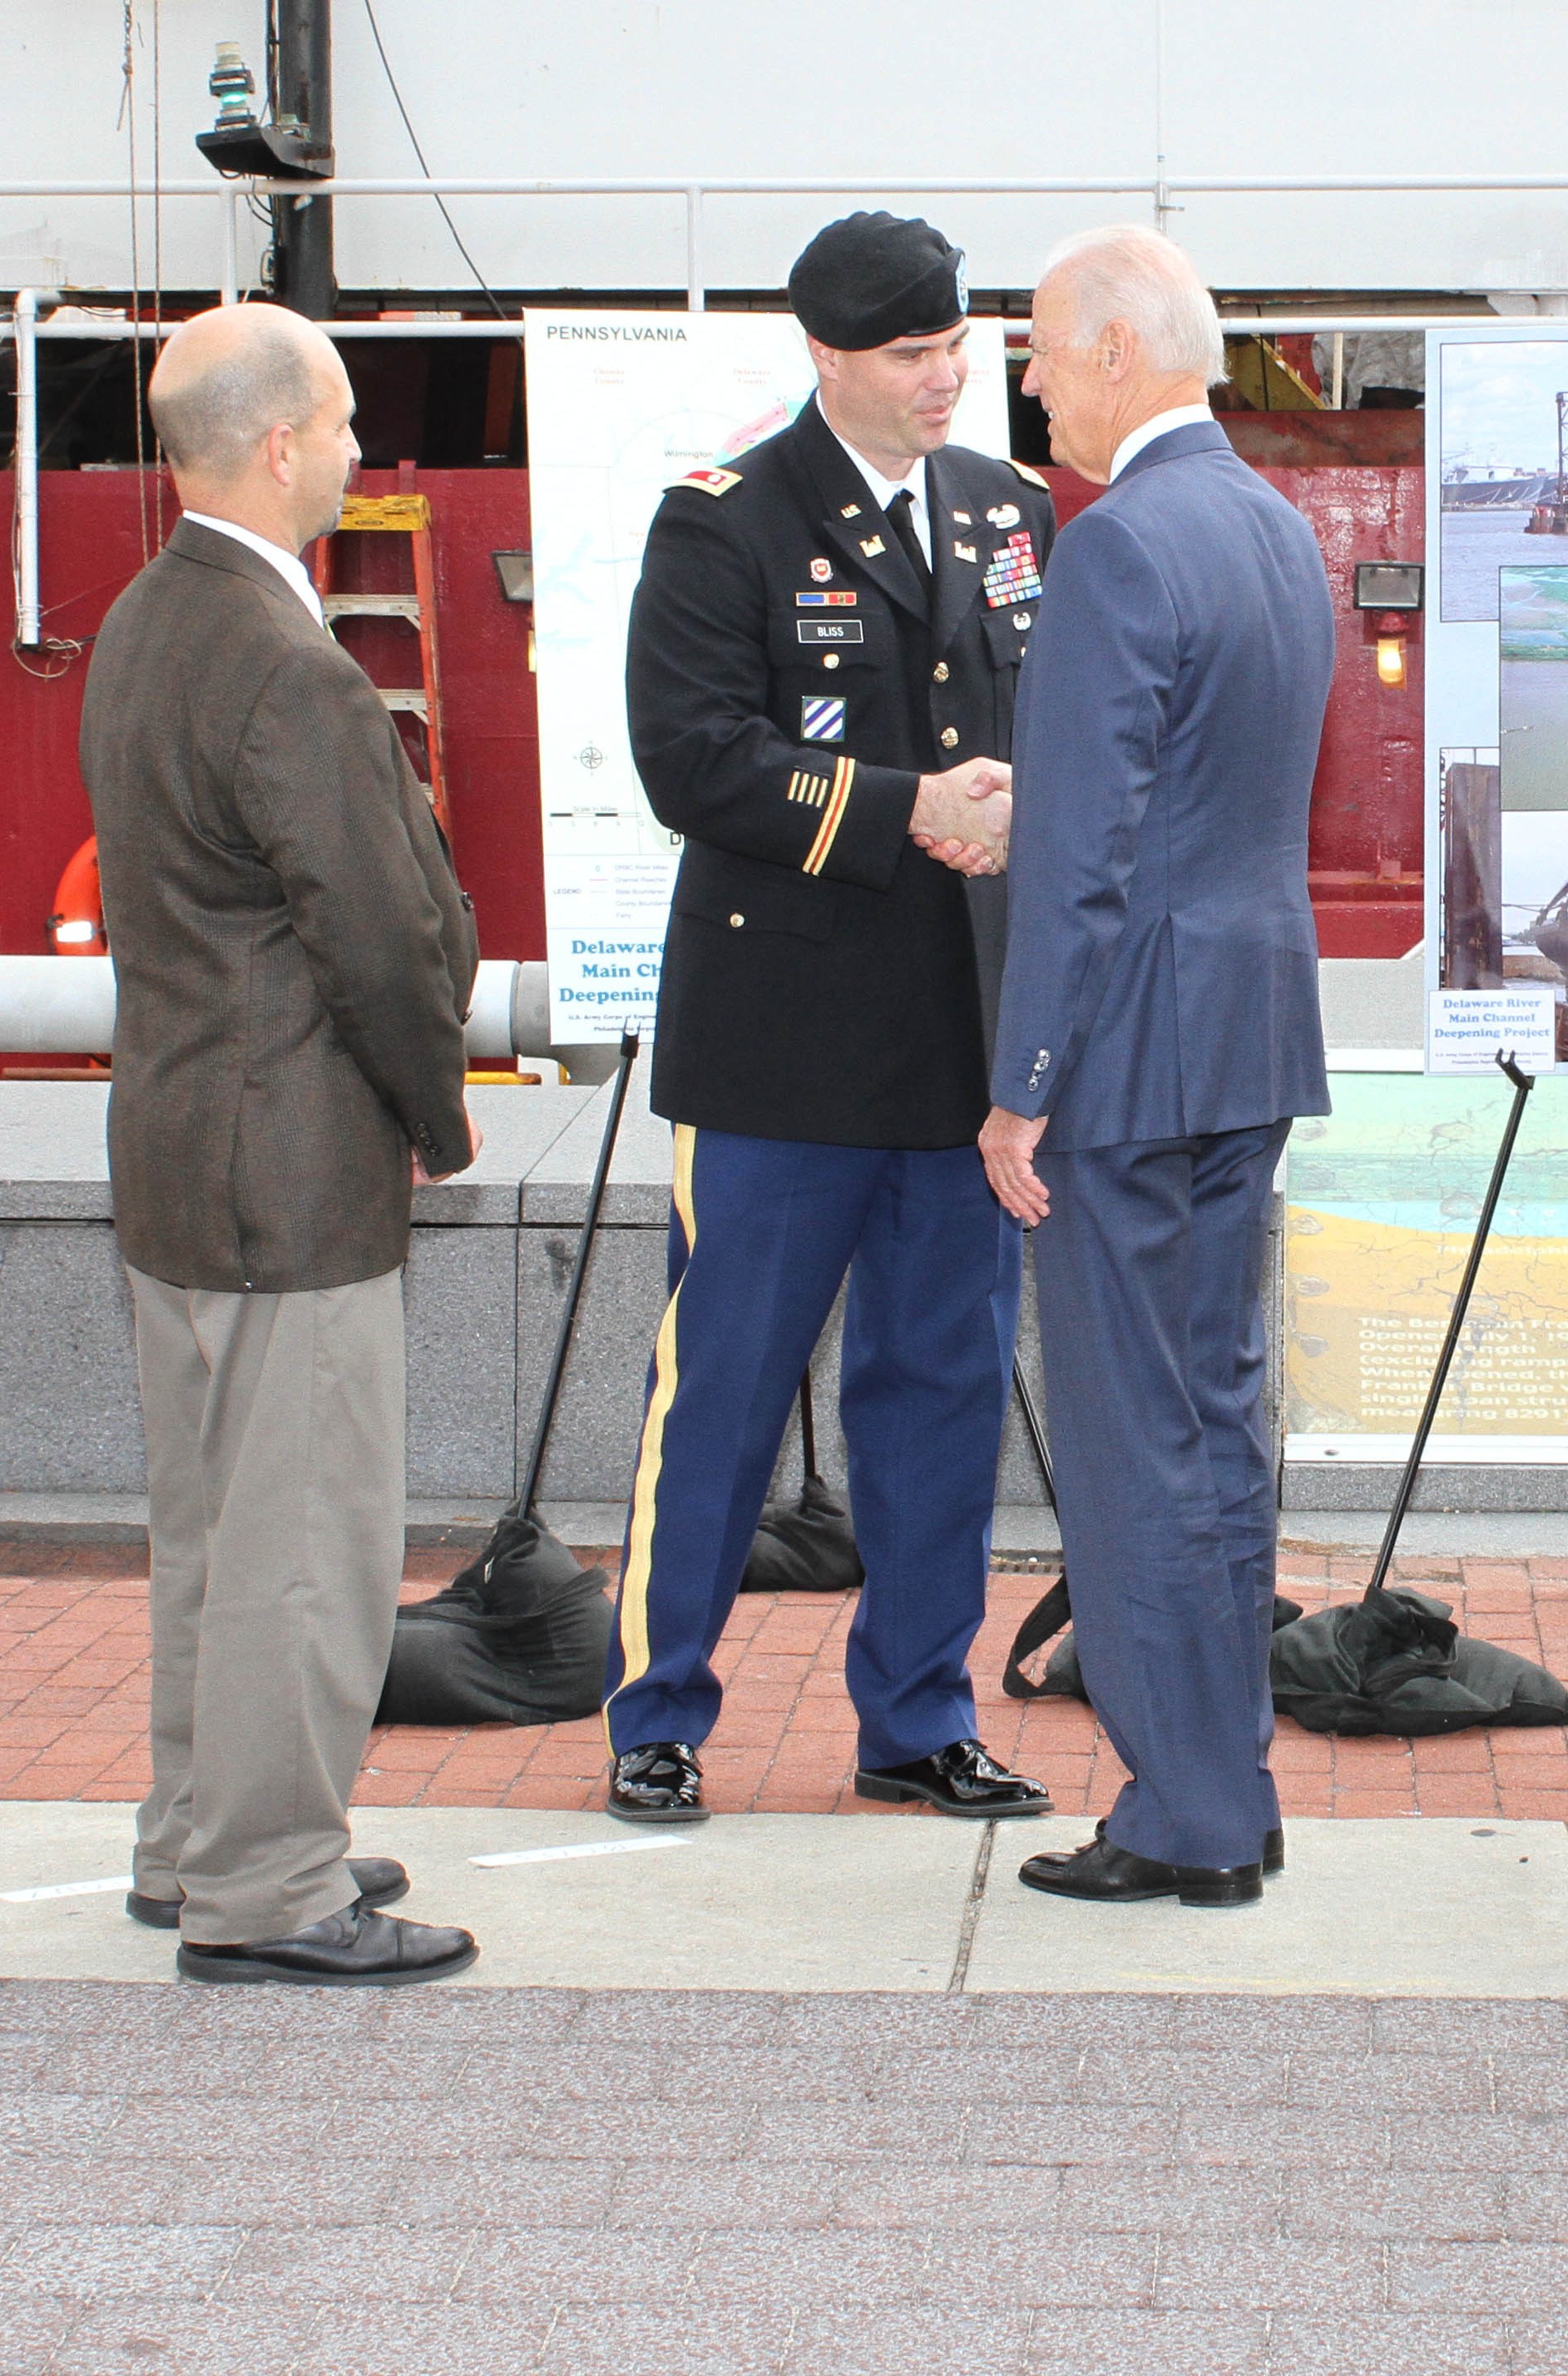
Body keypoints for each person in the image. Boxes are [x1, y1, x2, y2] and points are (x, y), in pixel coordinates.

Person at [603, 211, 1058, 1828]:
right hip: (781, 1053)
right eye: (910, 356)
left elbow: (1063, 720)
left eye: (958, 347)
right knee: (720, 1392)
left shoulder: (1011, 513)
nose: (947, 379)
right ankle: (657, 1714)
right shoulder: (725, 519)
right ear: (824, 357)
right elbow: (693, 759)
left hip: (960, 1049)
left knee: (940, 1396)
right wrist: (905, 806)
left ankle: (918, 1716)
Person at [83, 302, 482, 1987]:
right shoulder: (293, 668)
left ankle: (199, 1841)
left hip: (174, 1154)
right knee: (305, 1544)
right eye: (337, 427)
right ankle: (272, 1883)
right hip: (289, 1168)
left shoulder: (141, 622)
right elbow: (379, 942)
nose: (353, 455)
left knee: (207, 1532)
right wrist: (436, 1121)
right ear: (274, 446)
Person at [982, 225, 1333, 1908]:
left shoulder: (1118, 547)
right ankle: (1225, 1787)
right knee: (1218, 1424)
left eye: (1045, 348)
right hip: (1247, 1040)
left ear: (1120, 350)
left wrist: (1022, 1079)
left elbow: (1083, 849)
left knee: (1134, 1444)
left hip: (1123, 1062)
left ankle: (1181, 1811)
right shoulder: (1274, 530)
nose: (1030, 376)